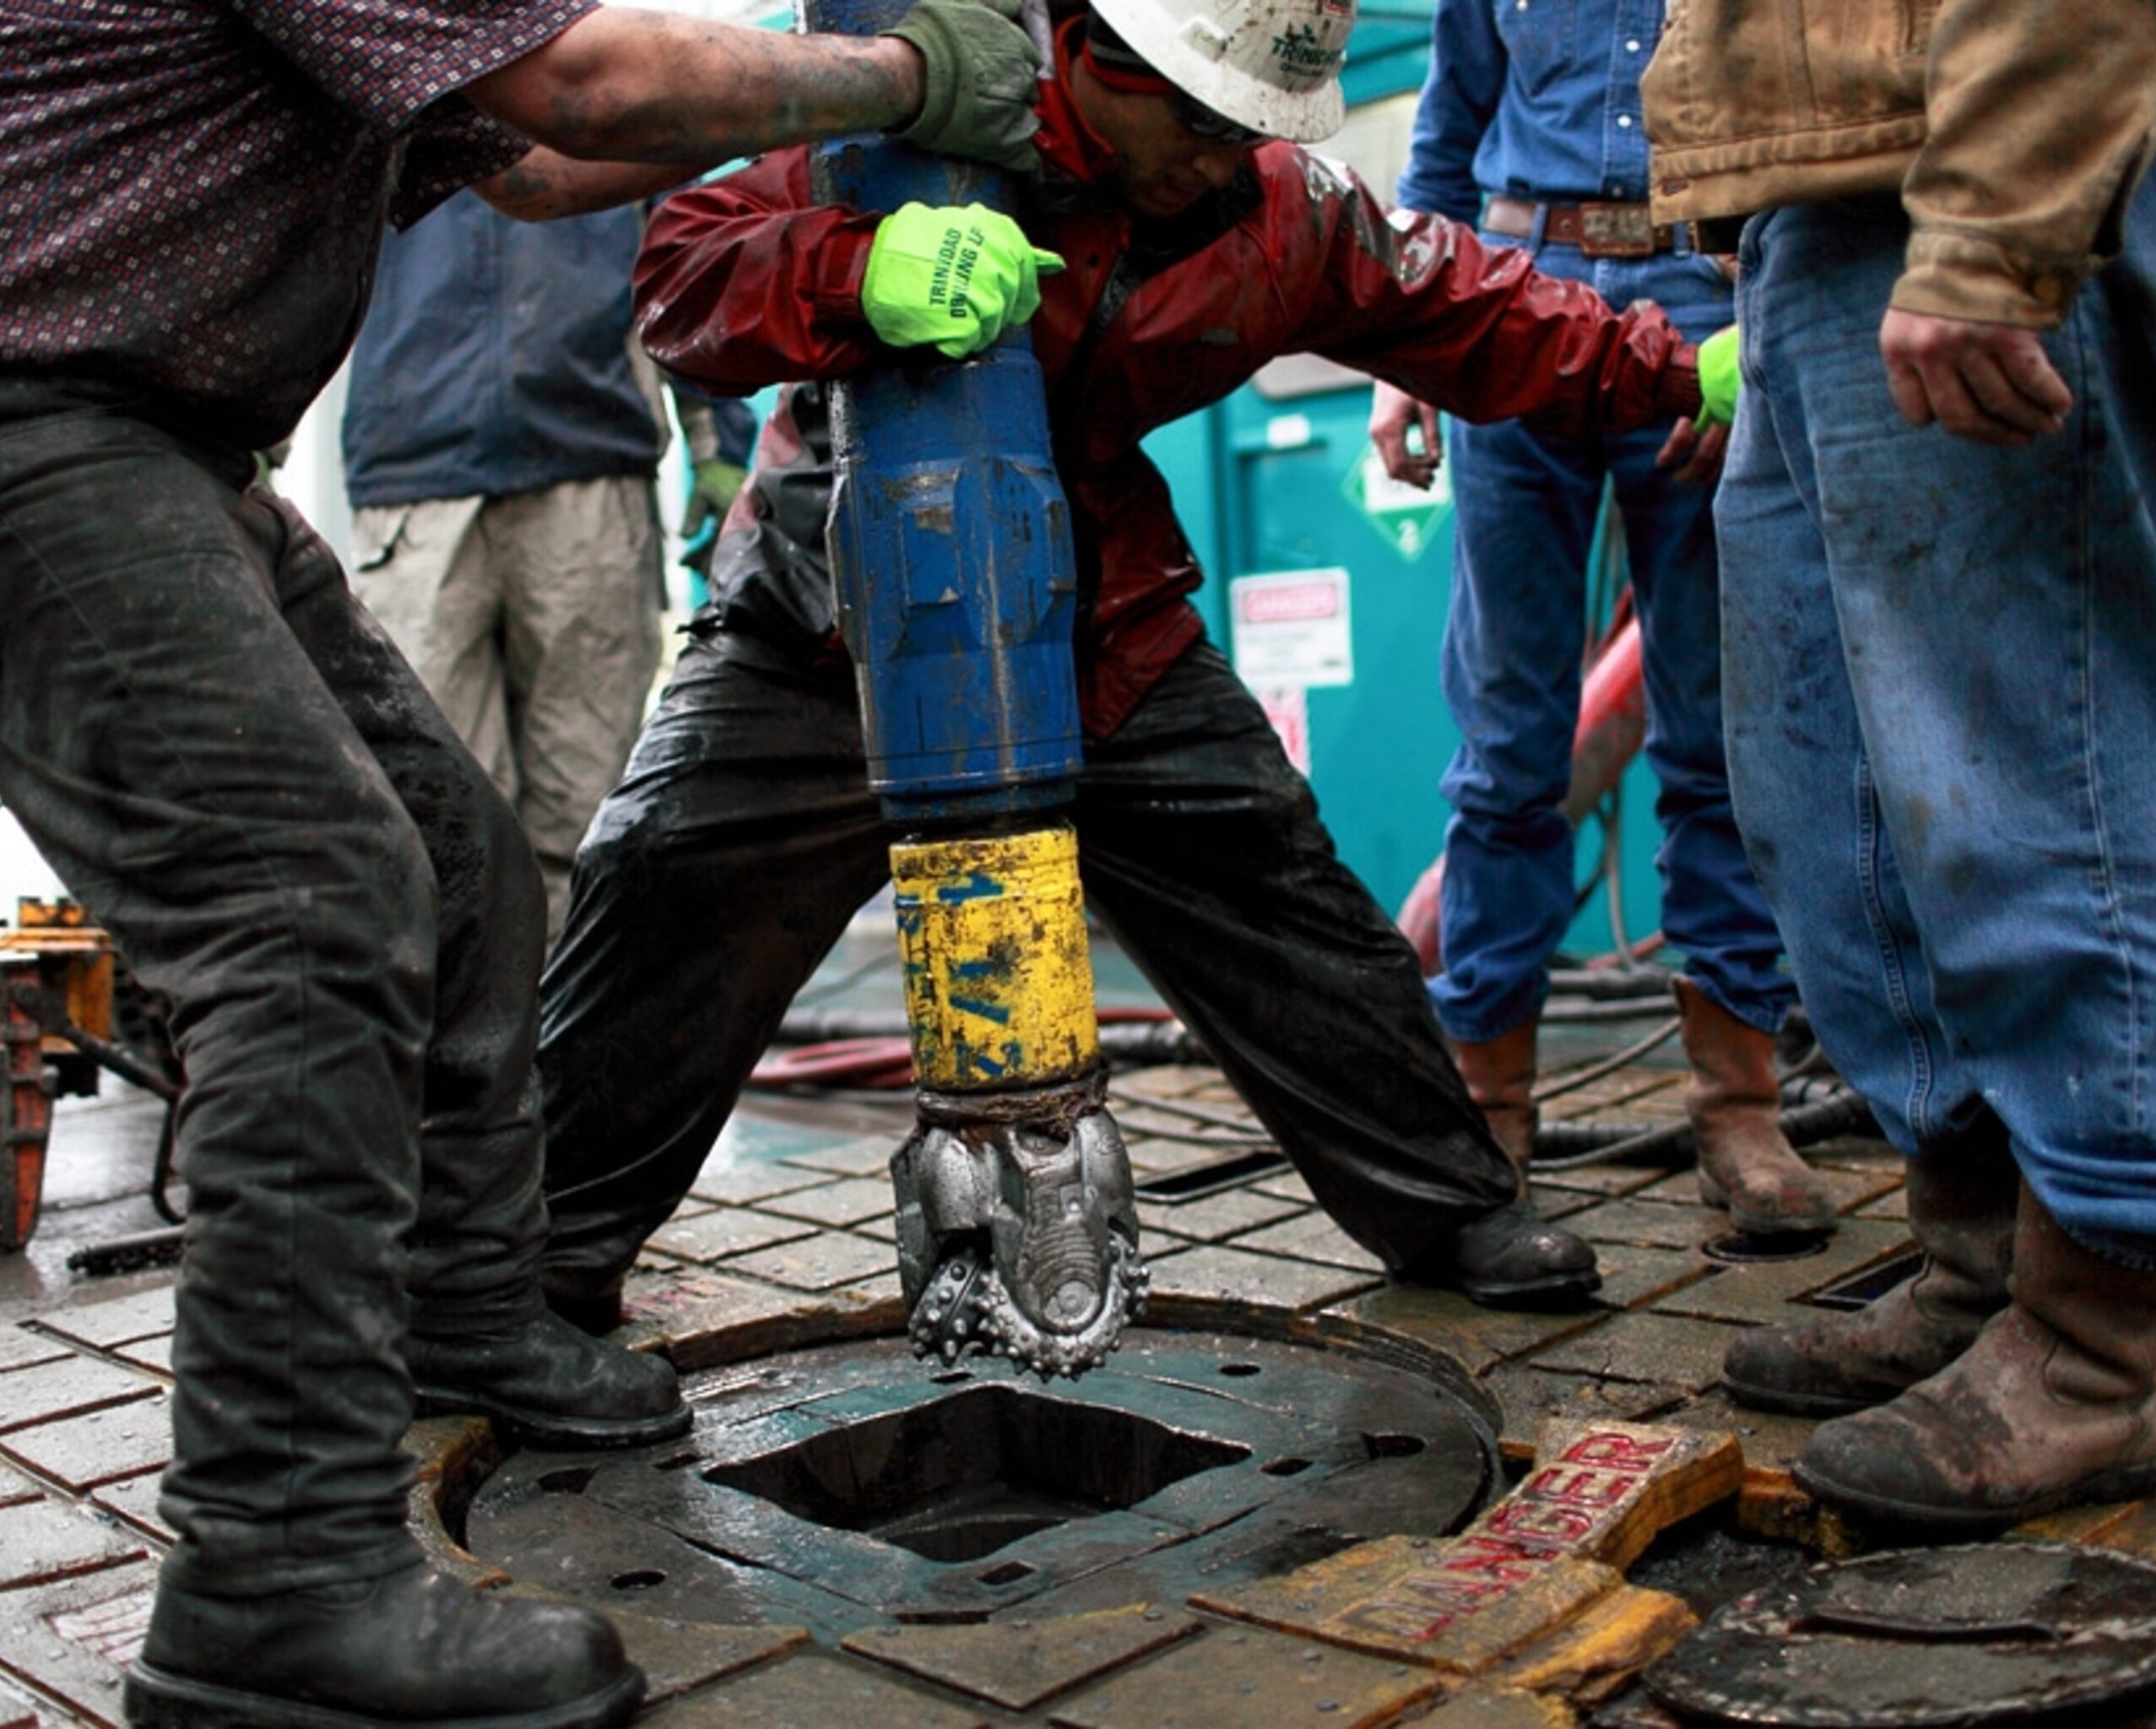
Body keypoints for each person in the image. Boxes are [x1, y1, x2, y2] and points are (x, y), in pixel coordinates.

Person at [0, 2, 1042, 1725]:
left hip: (128, 426)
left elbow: (539, 163)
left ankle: (459, 1308)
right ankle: (271, 1577)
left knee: (457, 858)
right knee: (309, 904)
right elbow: (585, 79)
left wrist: (807, 141)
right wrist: (902, 73)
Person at [533, 0, 1728, 1341]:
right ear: (1095, 53)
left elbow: (1475, 306)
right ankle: (535, 1267)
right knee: (661, 886)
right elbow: (683, 272)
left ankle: (1449, 1203)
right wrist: (853, 270)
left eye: (1252, 127)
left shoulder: (1280, 216)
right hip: (833, 618)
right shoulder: (921, 117)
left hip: (1098, 615)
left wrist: (1684, 374)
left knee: (1280, 893)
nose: (1227, 153)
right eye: (1204, 117)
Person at [1644, 0, 2156, 1531]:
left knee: (2040, 771)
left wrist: (2000, 222)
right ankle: (1976, 1267)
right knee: (1845, 801)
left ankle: (2095, 1343)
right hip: (1843, 188)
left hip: (2003, 155)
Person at [1364, 1, 1830, 1237]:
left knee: (1718, 732)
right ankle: (1492, 1110)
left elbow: (1798, 136)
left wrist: (1756, 338)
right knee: (1511, 737)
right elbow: (1445, 139)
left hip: (1704, 304)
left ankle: (1739, 1109)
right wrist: (1409, 358)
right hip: (1511, 301)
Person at [343, 198, 759, 927]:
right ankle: (461, 1035)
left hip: (584, 469)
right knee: (434, 813)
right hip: (416, 488)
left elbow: (684, 254)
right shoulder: (378, 86)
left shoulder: (621, 84)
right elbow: (293, 244)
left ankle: (557, 1034)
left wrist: (718, 444)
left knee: (584, 804)